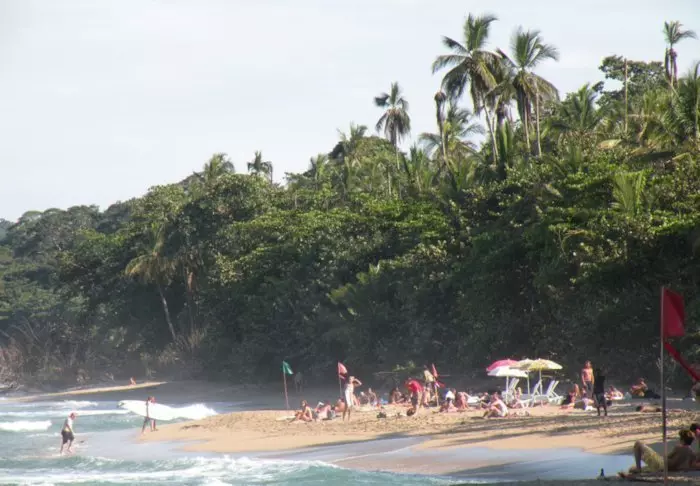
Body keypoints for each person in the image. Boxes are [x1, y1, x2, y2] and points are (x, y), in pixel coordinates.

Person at [629, 429, 696, 473]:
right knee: (632, 469)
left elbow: (668, 457)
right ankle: (638, 469)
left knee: (638, 444)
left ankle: (638, 469)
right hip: (665, 468)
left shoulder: (678, 448)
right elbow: (689, 465)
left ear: (682, 439)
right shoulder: (691, 453)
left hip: (661, 465)